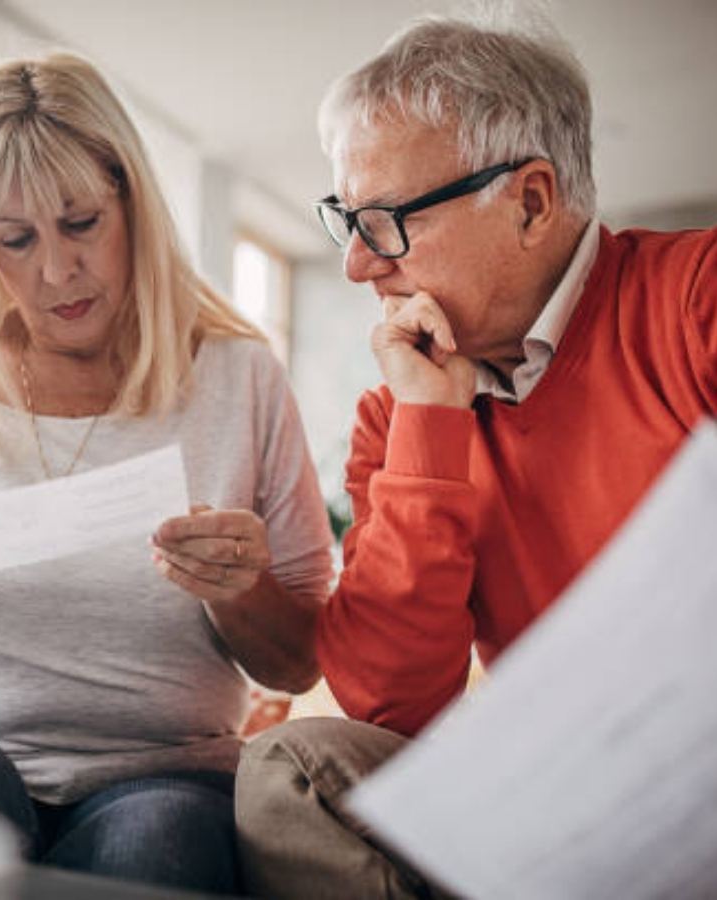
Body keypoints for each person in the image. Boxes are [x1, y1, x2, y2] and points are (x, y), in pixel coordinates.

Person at [235, 13, 717, 899]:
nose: (356, 266)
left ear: (530, 202)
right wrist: (431, 423)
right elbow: (391, 706)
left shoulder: (696, 300)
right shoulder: (397, 416)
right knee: (290, 772)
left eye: (385, 221)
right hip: (561, 793)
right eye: (347, 221)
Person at [0, 51, 333, 894]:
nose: (58, 271)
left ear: (133, 204)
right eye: (16, 240)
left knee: (157, 839)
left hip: (171, 775)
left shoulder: (240, 378)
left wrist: (239, 590)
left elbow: (299, 666)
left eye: (82, 223)